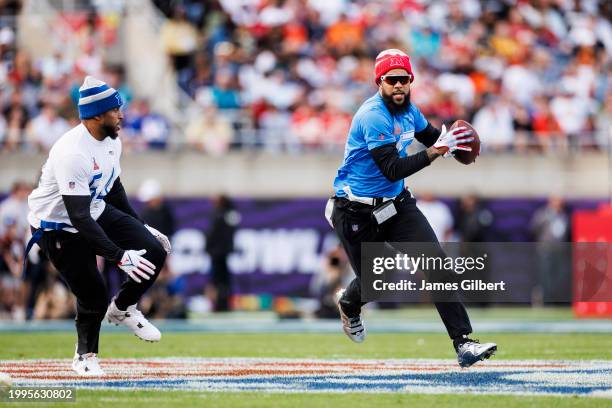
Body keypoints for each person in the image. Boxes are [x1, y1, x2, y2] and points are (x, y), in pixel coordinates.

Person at [328, 49, 496, 368]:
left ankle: (463, 343)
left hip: (396, 204)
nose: (398, 85)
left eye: (404, 79)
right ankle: (349, 304)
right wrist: (436, 151)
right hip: (356, 210)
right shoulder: (372, 115)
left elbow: (431, 136)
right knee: (379, 280)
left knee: (437, 266)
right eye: (391, 80)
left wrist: (453, 145)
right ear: (380, 82)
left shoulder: (409, 110)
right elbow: (392, 167)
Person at [25, 76, 172, 376]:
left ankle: (123, 308)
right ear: (96, 116)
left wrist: (141, 226)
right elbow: (78, 218)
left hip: (91, 208)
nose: (121, 115)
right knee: (93, 291)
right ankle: (84, 355)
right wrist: (119, 255)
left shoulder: (111, 141)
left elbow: (114, 189)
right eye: (115, 110)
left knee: (154, 249)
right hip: (57, 225)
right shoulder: (72, 152)